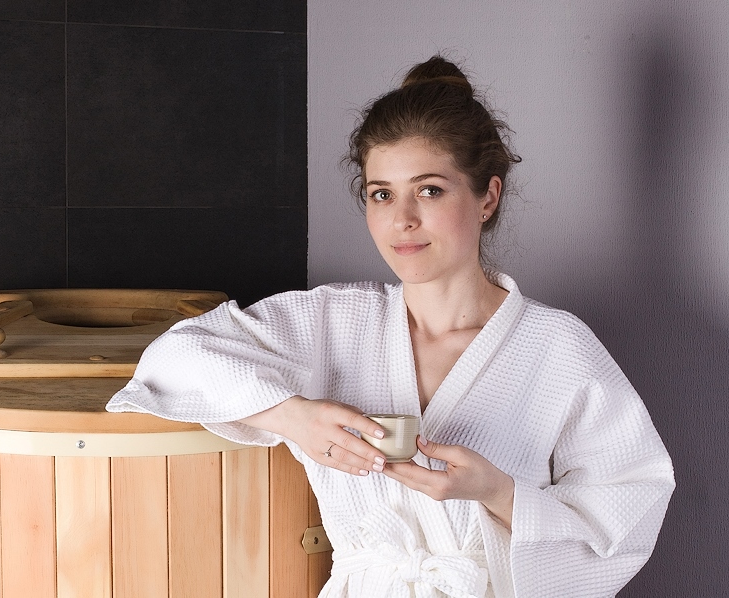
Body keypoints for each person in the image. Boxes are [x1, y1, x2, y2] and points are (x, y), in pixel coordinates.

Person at [107, 56, 675, 597]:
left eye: (430, 190)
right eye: (382, 194)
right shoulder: (332, 321)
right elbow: (170, 359)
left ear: (487, 197)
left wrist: (498, 493)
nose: (402, 219)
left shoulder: (556, 347)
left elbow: (627, 513)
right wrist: (292, 417)